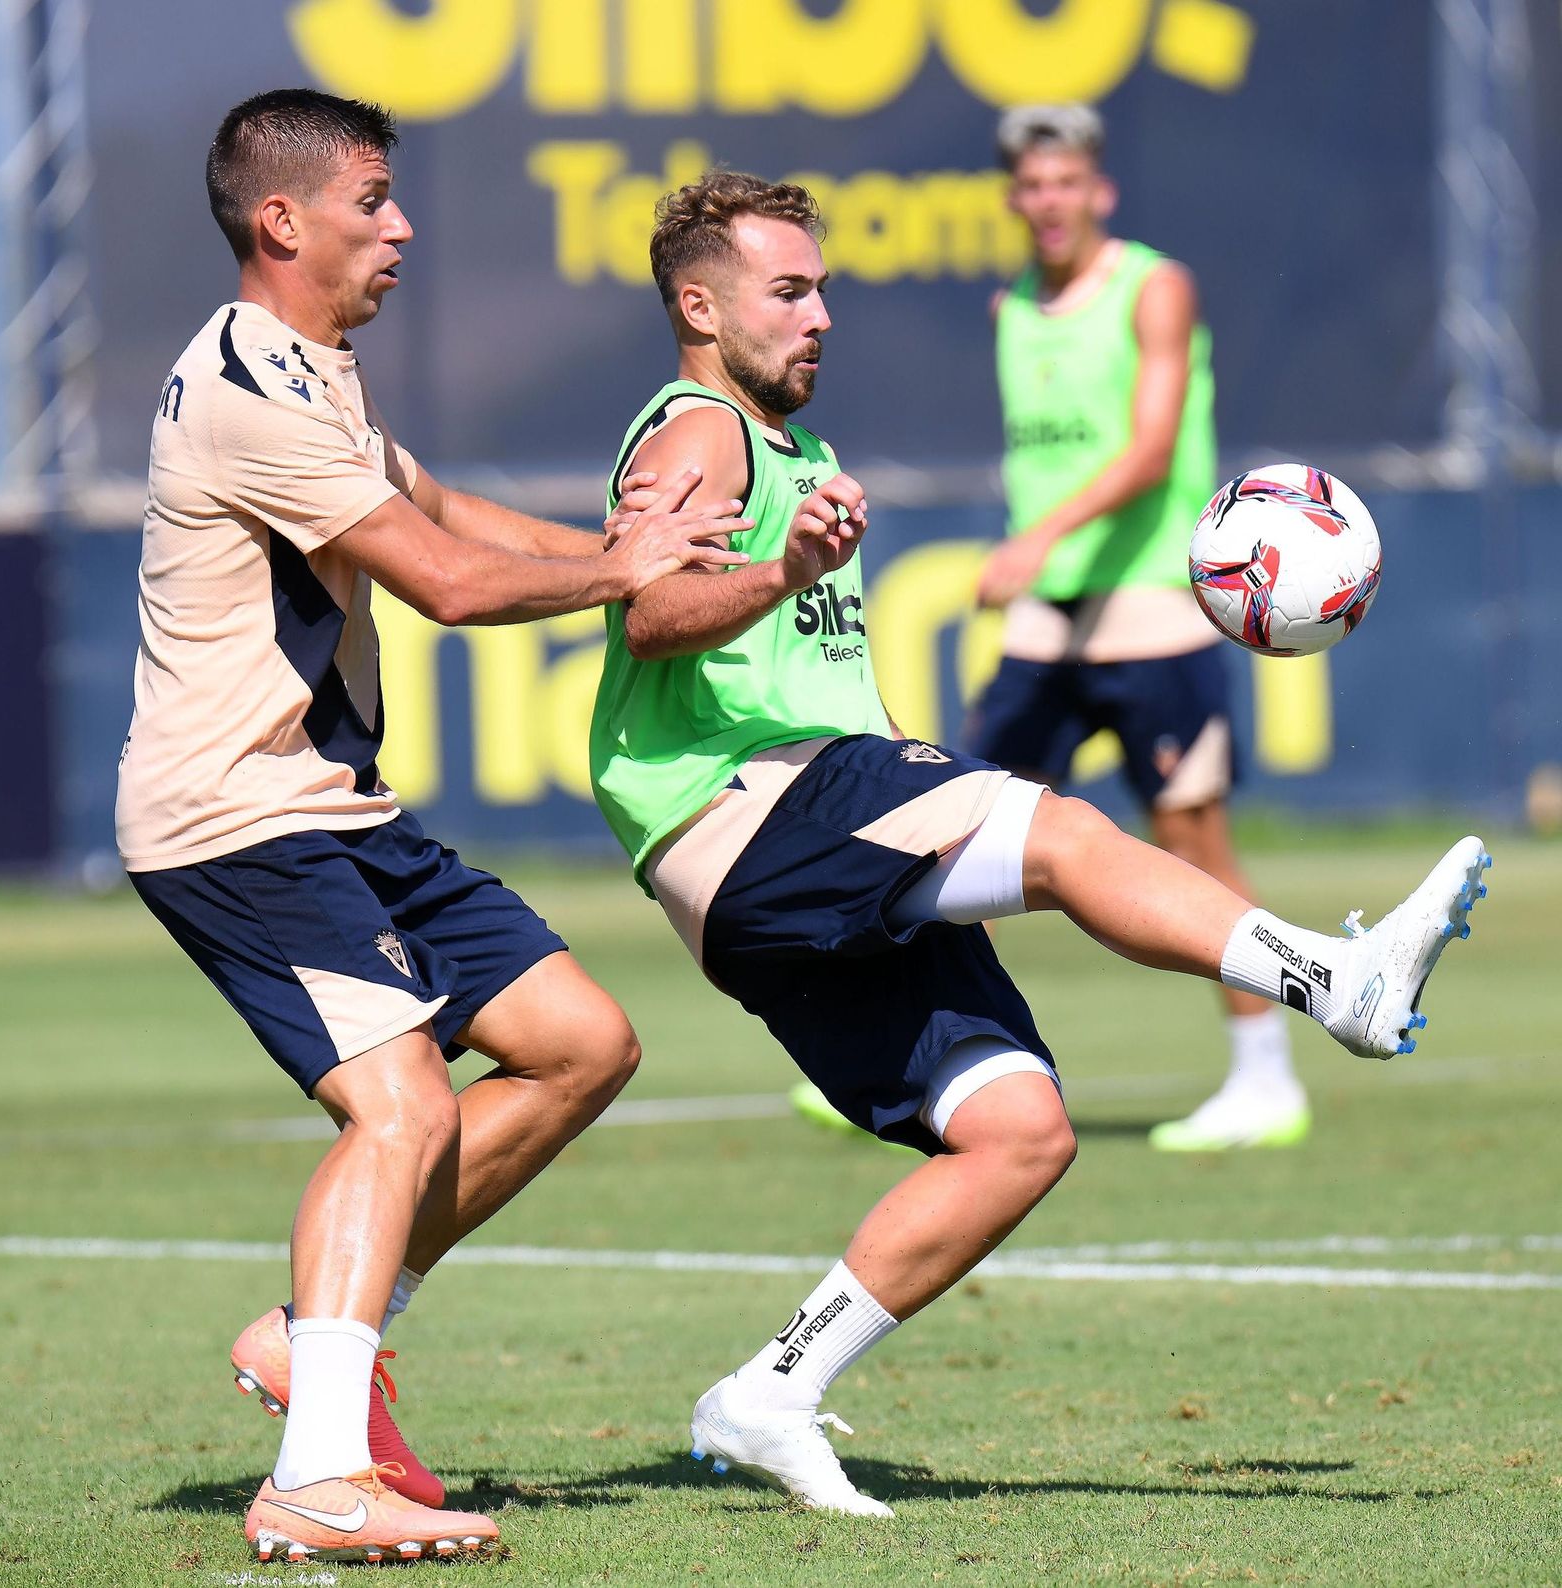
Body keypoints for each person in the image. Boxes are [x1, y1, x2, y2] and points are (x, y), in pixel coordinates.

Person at [587, 169, 1489, 1517]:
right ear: (699, 308)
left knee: (1017, 1131)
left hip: (788, 840)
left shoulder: (796, 453)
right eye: (789, 291)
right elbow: (646, 612)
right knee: (1061, 832)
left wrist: (904, 776)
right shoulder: (702, 432)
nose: (821, 315)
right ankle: (1331, 981)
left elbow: (815, 684)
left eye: (823, 288)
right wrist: (782, 575)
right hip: (739, 808)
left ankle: (769, 1392)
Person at [117, 89, 747, 1565]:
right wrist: (626, 576)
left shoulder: (312, 370)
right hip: (235, 818)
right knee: (401, 1105)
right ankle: (317, 1475)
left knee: (580, 1043)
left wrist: (632, 550)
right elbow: (447, 584)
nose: (402, 227)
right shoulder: (244, 386)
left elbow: (444, 507)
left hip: (332, 806)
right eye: (372, 202)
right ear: (284, 221)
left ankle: (312, 1335)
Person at [965, 102, 1305, 1152]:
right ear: (1013, 199)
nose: (1049, 200)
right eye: (1032, 185)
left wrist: (1036, 536)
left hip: (1152, 608)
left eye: (1066, 181)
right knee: (954, 834)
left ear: (1098, 190)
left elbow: (1151, 450)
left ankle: (1265, 1076)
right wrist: (1037, 554)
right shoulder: (1013, 307)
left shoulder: (1152, 287)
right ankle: (921, 1061)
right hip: (1047, 621)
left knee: (1190, 843)